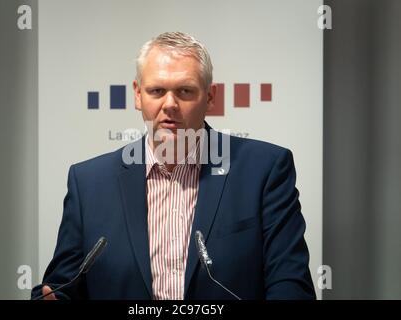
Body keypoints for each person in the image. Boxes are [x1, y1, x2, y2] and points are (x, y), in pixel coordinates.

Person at [31, 32, 316, 300]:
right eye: (156, 90)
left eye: (185, 91)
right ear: (137, 95)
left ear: (210, 97)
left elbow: (290, 284)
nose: (170, 104)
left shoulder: (264, 170)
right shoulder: (89, 183)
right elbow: (64, 286)